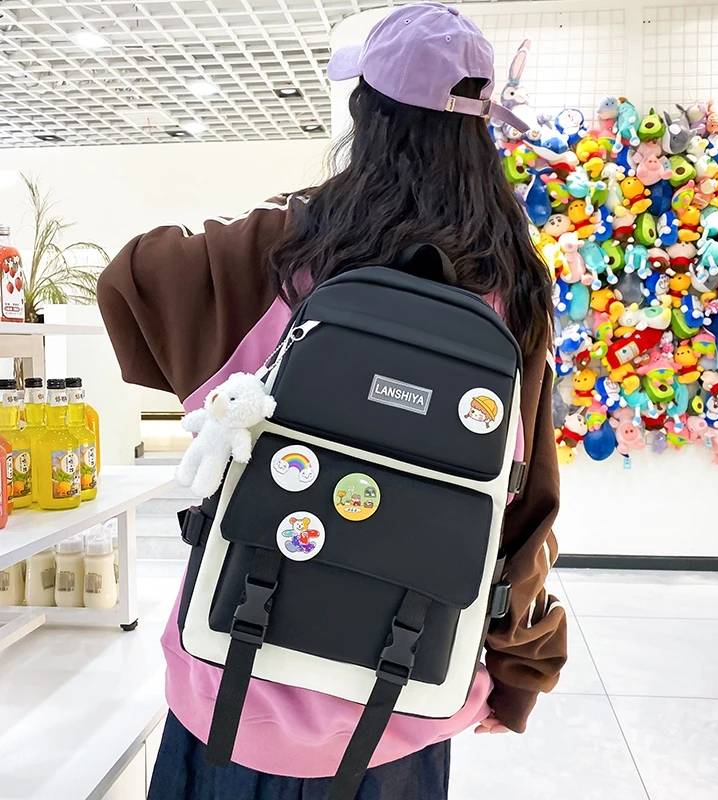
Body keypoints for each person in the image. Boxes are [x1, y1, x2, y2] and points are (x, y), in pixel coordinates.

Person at [98, 3, 567, 798]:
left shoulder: (286, 245)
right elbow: (525, 505)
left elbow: (130, 277)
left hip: (234, 674)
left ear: (365, 111)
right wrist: (518, 675)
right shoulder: (512, 282)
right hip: (403, 691)